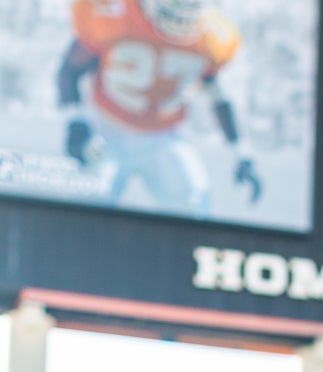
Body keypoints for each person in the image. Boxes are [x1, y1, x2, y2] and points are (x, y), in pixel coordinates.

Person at [57, 0, 261, 218]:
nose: (181, 17)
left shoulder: (213, 35)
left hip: (163, 137)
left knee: (195, 207)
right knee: (89, 206)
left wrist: (241, 151)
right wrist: (76, 121)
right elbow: (69, 71)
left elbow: (217, 96)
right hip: (107, 128)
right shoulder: (114, 13)